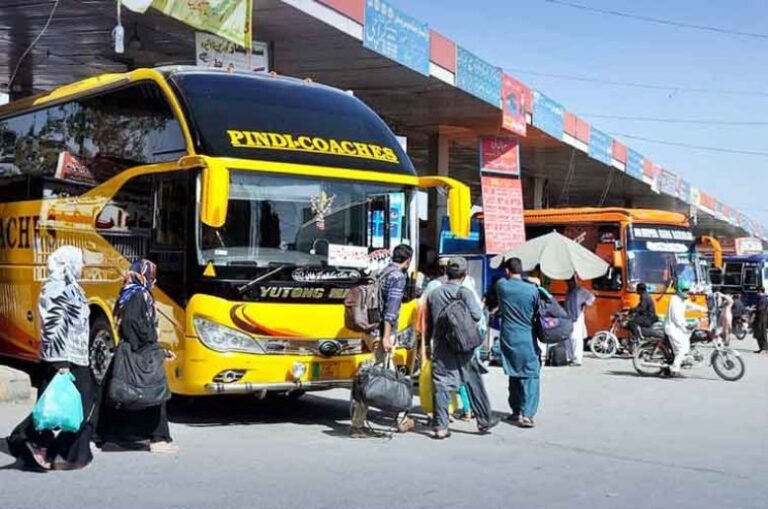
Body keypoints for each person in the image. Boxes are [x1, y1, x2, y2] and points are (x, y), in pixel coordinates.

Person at [6, 246, 97, 470]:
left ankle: (63, 452)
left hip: (77, 356)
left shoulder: (72, 287)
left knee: (76, 405)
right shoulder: (55, 288)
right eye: (79, 261)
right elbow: (52, 324)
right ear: (68, 263)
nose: (82, 265)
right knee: (55, 407)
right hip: (62, 358)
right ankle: (32, 439)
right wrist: (61, 364)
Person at [97, 260, 178, 453]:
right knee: (155, 391)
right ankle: (157, 438)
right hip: (139, 350)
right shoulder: (140, 295)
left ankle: (107, 436)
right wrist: (149, 345)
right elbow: (132, 322)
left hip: (131, 349)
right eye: (152, 276)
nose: (154, 280)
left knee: (121, 392)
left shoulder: (130, 292)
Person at [426, 257, 498, 439]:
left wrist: (428, 343)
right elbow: (476, 315)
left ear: (446, 272)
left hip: (442, 345)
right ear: (465, 273)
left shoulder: (434, 293)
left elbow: (429, 323)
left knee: (441, 384)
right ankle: (483, 421)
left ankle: (441, 427)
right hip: (464, 344)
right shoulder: (464, 292)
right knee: (473, 381)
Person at [350, 244, 416, 438]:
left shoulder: (381, 272)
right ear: (408, 260)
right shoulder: (397, 277)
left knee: (382, 374)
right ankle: (358, 424)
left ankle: (401, 418)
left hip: (372, 330)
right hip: (384, 332)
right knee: (376, 377)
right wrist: (387, 336)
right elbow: (391, 311)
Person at [495, 258, 541, 428]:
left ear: (507, 271)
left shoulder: (502, 286)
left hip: (508, 337)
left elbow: (504, 279)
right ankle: (527, 414)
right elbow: (540, 309)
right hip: (527, 337)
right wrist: (534, 281)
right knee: (531, 374)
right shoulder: (532, 290)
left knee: (514, 373)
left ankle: (516, 411)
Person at [664, 280, 707, 377]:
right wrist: (686, 324)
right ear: (679, 290)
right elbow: (676, 317)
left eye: (688, 290)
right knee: (682, 349)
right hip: (673, 328)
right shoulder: (675, 300)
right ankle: (675, 369)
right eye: (685, 290)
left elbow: (691, 305)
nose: (687, 292)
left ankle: (677, 363)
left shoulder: (682, 299)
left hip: (679, 328)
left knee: (686, 346)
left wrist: (705, 310)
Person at [564, 277, 595, 366]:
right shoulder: (569, 292)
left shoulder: (580, 290)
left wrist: (584, 304)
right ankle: (570, 358)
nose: (569, 284)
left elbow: (591, 297)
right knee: (568, 339)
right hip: (569, 318)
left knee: (575, 338)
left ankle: (577, 359)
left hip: (577, 318)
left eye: (570, 282)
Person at [753, 290, 768, 354]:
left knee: (762, 333)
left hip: (762, 318)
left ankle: (764, 348)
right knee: (759, 333)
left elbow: (761, 308)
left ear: (760, 291)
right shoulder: (761, 299)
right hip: (760, 318)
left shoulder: (764, 299)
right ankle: (761, 348)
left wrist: (753, 309)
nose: (757, 294)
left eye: (757, 292)